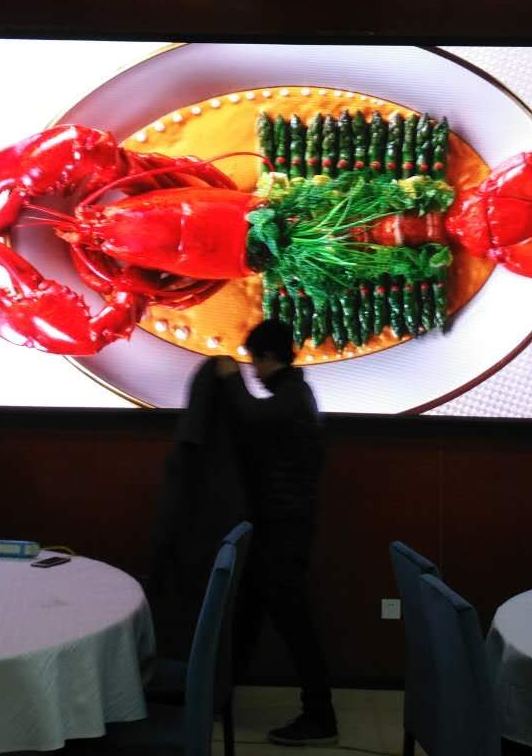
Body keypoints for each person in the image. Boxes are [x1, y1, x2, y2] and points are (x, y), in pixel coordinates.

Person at [215, 319, 337, 747]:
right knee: (248, 615)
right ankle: (218, 695)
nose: (253, 372)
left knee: (292, 621)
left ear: (268, 358)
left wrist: (229, 379)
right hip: (278, 527)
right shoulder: (296, 394)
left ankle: (320, 716)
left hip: (285, 530)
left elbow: (251, 415)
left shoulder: (291, 397)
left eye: (254, 363)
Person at [145, 355, 248, 662]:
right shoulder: (241, 462)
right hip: (217, 630)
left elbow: (166, 526)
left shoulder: (188, 456)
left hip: (180, 599)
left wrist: (152, 575)